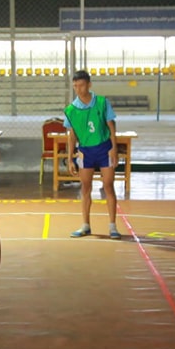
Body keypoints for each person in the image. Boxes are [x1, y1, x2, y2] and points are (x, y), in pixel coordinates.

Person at [64, 70, 121, 240]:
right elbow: (72, 135)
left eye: (81, 85)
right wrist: (70, 158)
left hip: (104, 148)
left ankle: (112, 226)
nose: (78, 88)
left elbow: (111, 126)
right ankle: (86, 225)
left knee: (108, 185)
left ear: (89, 84)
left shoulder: (102, 102)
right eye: (75, 85)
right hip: (85, 152)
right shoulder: (71, 109)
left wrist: (114, 148)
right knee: (85, 187)